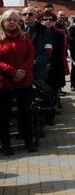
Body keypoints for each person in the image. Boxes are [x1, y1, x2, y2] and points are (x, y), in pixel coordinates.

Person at [0, 10, 36, 155]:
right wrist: (12, 72)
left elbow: (30, 55)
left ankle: (29, 142)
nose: (13, 22)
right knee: (4, 114)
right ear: (3, 22)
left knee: (25, 113)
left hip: (24, 80)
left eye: (15, 19)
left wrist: (21, 71)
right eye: (9, 19)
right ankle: (6, 144)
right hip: (4, 82)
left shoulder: (24, 36)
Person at [22, 6, 52, 82]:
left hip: (38, 69)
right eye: (25, 14)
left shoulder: (44, 30)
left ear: (35, 15)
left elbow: (48, 50)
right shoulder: (16, 29)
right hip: (20, 68)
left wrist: (34, 62)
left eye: (30, 14)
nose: (27, 16)